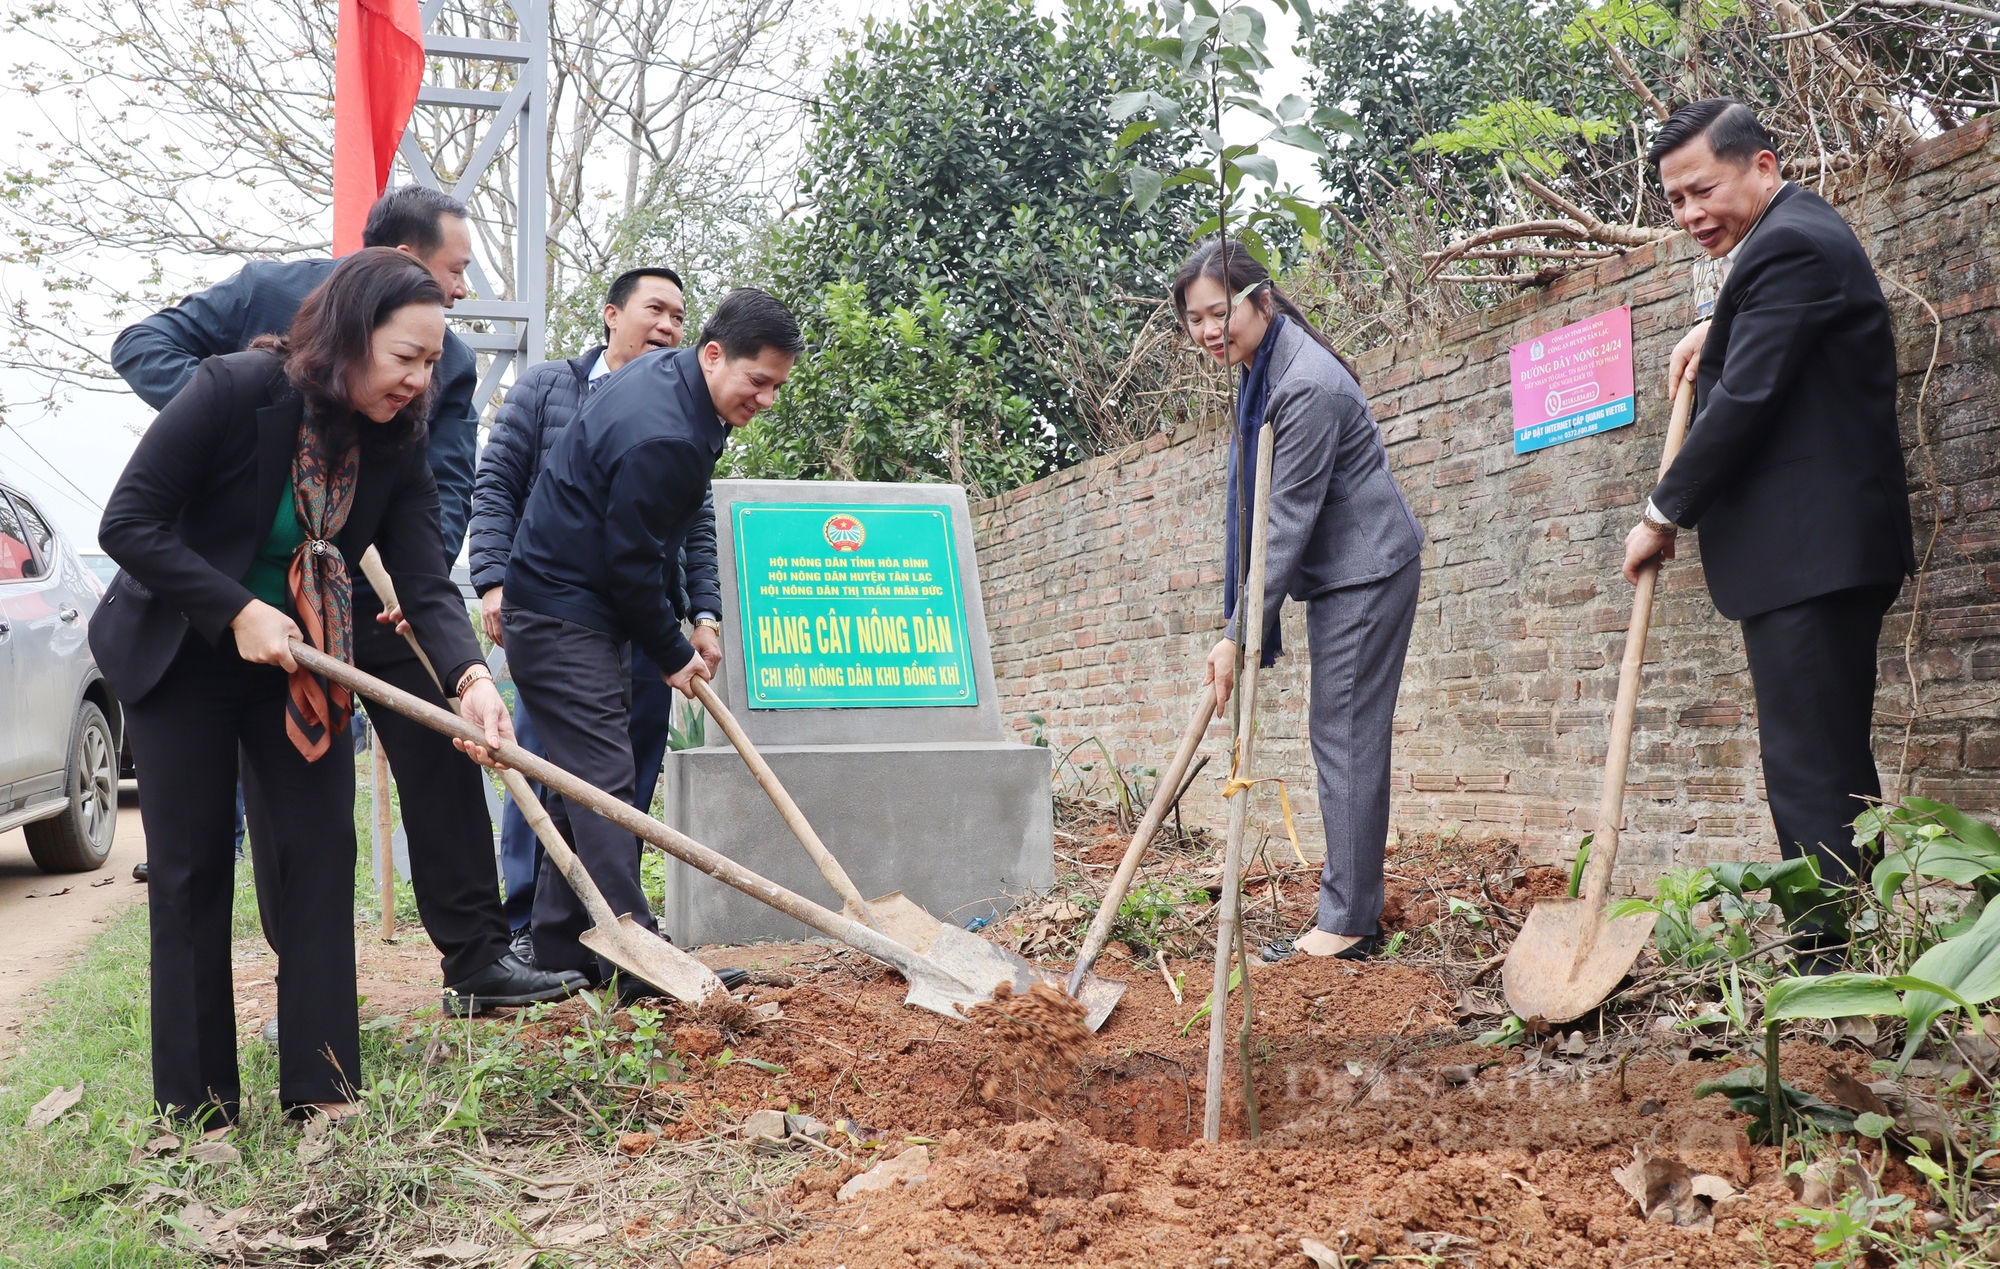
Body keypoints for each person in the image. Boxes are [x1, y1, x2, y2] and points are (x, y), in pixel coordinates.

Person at [110, 186, 577, 1014]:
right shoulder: (255, 326)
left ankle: (465, 961)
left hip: (358, 582)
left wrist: (470, 676)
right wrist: (243, 438)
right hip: (214, 591)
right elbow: (141, 362)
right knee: (216, 851)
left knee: (406, 765)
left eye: (431, 359)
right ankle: (225, 1064)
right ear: (387, 279)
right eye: (454, 269)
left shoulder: (428, 388)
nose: (462, 293)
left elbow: (439, 516)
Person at [1625, 100, 1913, 964]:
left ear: (1763, 164)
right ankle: (1856, 954)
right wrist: (1715, 329)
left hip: (1811, 555)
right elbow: (1773, 344)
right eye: (1674, 202)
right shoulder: (1795, 238)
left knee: (1806, 765)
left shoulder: (1790, 244)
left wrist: (1661, 512)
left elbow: (1747, 399)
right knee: (1828, 762)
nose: (1690, 215)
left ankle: (1829, 963)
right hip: (1820, 553)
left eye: (1702, 190)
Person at [501, 288, 800, 996]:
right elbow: (630, 567)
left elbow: (663, 538)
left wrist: (701, 618)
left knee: (582, 782)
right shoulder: (664, 433)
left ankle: (557, 947)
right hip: (559, 615)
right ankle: (638, 960)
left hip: (575, 605)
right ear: (714, 354)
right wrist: (672, 650)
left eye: (777, 387)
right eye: (758, 382)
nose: (766, 400)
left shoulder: (681, 389)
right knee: (605, 784)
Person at [1176, 241, 1425, 962]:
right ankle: (1355, 905)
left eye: (1220, 312)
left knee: (1344, 736)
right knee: (1340, 734)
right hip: (1346, 571)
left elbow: (1282, 525)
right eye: (1194, 320)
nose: (1208, 331)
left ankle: (1348, 922)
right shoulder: (1263, 370)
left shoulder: (1305, 386)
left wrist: (1235, 633)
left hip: (1366, 573)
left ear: (1262, 299)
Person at [468, 267, 722, 958]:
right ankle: (532, 922)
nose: (669, 324)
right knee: (557, 761)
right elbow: (496, 484)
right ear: (612, 315)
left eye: (679, 314)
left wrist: (702, 614)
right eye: (655, 309)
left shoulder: (687, 418)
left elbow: (695, 524)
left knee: (618, 776)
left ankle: (580, 928)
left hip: (642, 619)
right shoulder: (550, 387)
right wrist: (492, 579)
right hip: (558, 610)